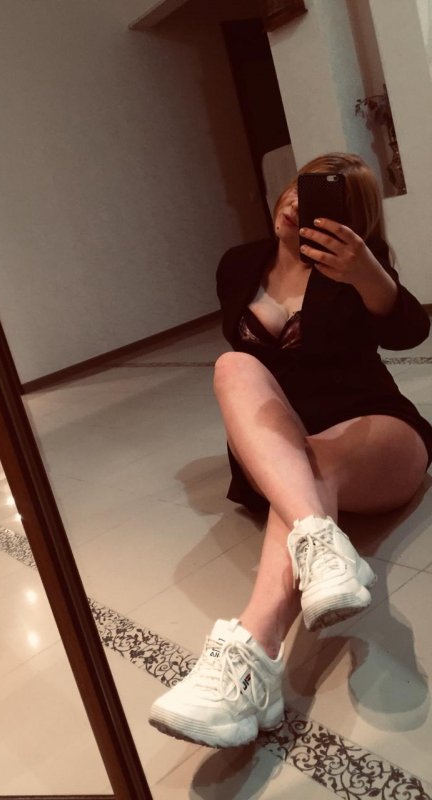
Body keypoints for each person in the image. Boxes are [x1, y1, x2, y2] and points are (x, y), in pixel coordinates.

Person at [149, 152, 432, 748]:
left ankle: (251, 653)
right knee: (233, 366)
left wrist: (367, 273)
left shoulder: (357, 266)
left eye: (322, 196)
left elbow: (409, 331)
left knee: (309, 463)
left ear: (348, 217)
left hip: (372, 434)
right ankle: (317, 546)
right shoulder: (238, 264)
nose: (299, 203)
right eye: (300, 186)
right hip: (279, 445)